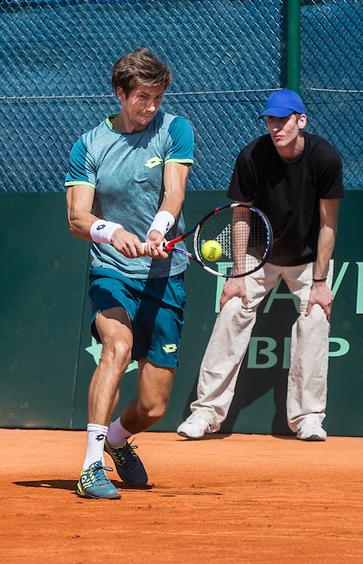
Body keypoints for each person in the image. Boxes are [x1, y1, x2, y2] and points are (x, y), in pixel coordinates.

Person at [65, 48, 195, 499]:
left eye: (157, 97)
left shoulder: (175, 129)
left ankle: (119, 438)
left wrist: (158, 229)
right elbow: (77, 218)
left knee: (155, 406)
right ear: (120, 93)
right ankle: (90, 466)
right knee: (116, 349)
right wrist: (112, 231)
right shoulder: (90, 145)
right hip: (114, 272)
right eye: (142, 97)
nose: (151, 107)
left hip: (164, 275)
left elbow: (174, 191)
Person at [176, 89, 342, 442]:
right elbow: (241, 215)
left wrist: (320, 280)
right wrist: (237, 274)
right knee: (233, 309)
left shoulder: (324, 157)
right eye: (270, 120)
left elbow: (328, 223)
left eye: (283, 119)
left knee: (314, 319)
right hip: (257, 251)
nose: (276, 127)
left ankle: (308, 417)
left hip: (307, 257)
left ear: (301, 120)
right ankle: (206, 413)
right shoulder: (252, 155)